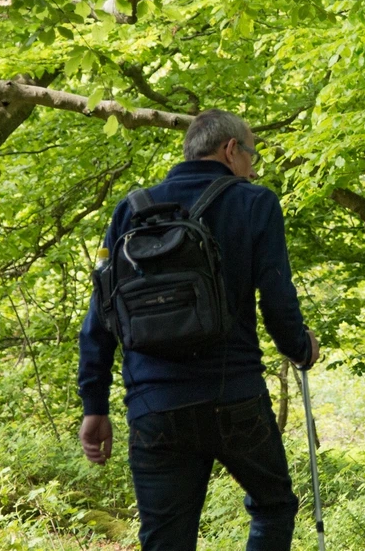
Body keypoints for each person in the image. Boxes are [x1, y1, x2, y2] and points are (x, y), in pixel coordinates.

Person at [76, 109, 320, 551]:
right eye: (251, 155)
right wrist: (301, 348)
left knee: (166, 539)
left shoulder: (130, 211)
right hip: (236, 396)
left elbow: (100, 314)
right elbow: (278, 301)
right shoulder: (254, 202)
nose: (252, 167)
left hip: (155, 405)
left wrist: (94, 404)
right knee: (273, 507)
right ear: (230, 150)